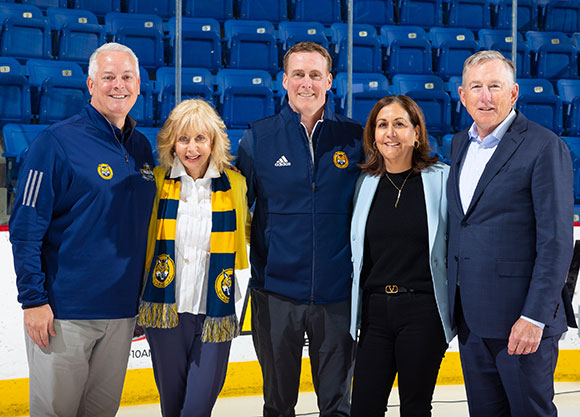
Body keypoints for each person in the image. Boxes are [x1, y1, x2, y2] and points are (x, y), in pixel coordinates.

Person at [9, 42, 156, 417]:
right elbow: (25, 227)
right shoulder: (55, 143)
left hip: (122, 314)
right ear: (90, 84)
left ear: (138, 85)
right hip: (64, 313)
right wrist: (33, 300)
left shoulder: (141, 148)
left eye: (126, 77)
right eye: (108, 77)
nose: (118, 85)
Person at [236, 41, 364, 416]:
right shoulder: (258, 138)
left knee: (338, 404)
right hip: (275, 294)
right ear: (283, 81)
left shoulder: (355, 139)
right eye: (298, 75)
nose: (305, 83)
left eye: (314, 75)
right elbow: (239, 207)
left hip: (338, 294)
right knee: (277, 404)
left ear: (329, 81)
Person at [447, 50, 578, 417]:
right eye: (476, 87)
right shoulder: (460, 144)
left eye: (494, 86)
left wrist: (534, 317)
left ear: (514, 93)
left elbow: (555, 242)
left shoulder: (543, 146)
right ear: (462, 95)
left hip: (521, 324)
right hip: (472, 320)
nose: (485, 96)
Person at [138, 99, 249, 417]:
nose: (192, 147)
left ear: (213, 140)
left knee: (198, 407)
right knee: (172, 407)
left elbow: (253, 229)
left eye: (200, 138)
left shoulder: (236, 184)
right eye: (183, 138)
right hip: (166, 311)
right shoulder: (156, 182)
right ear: (171, 140)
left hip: (215, 311)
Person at [349, 95, 455, 417]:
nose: (390, 132)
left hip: (422, 310)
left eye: (399, 124)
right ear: (373, 134)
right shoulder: (364, 183)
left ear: (417, 133)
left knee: (415, 407)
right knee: (364, 408)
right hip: (374, 312)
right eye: (382, 125)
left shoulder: (443, 179)